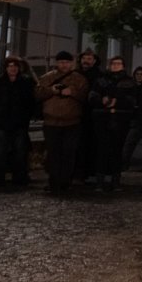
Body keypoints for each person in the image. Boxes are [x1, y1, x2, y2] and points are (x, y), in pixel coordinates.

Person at [35, 51, 89, 194]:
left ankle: (65, 181)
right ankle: (53, 181)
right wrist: (51, 91)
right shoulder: (47, 78)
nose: (64, 65)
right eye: (61, 62)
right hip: (51, 122)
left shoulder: (79, 79)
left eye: (66, 62)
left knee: (68, 153)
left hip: (72, 122)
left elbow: (85, 97)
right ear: (57, 63)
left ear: (71, 63)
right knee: (53, 153)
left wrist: (72, 92)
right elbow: (37, 94)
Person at [0, 56, 36, 187]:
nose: (12, 68)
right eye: (10, 66)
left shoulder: (26, 82)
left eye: (15, 66)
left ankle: (19, 177)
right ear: (5, 68)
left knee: (19, 151)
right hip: (2, 122)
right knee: (1, 151)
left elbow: (31, 101)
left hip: (19, 122)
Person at [88, 56, 136, 192]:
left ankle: (116, 181)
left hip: (120, 120)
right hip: (102, 119)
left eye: (118, 63)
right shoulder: (101, 80)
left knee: (117, 150)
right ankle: (100, 181)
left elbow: (132, 101)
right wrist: (102, 100)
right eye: (113, 63)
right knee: (101, 149)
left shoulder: (129, 82)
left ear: (123, 66)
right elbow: (92, 96)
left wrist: (118, 102)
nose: (115, 66)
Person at [74, 48, 101, 185]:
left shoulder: (99, 76)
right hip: (77, 113)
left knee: (91, 144)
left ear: (94, 61)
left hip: (93, 114)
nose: (86, 61)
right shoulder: (75, 74)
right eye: (85, 58)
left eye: (89, 59)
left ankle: (90, 172)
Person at [121, 65, 142, 172]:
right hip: (131, 118)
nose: (139, 76)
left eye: (141, 74)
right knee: (129, 143)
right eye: (137, 74)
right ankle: (125, 163)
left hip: (141, 119)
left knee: (131, 143)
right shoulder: (131, 87)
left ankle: (125, 164)